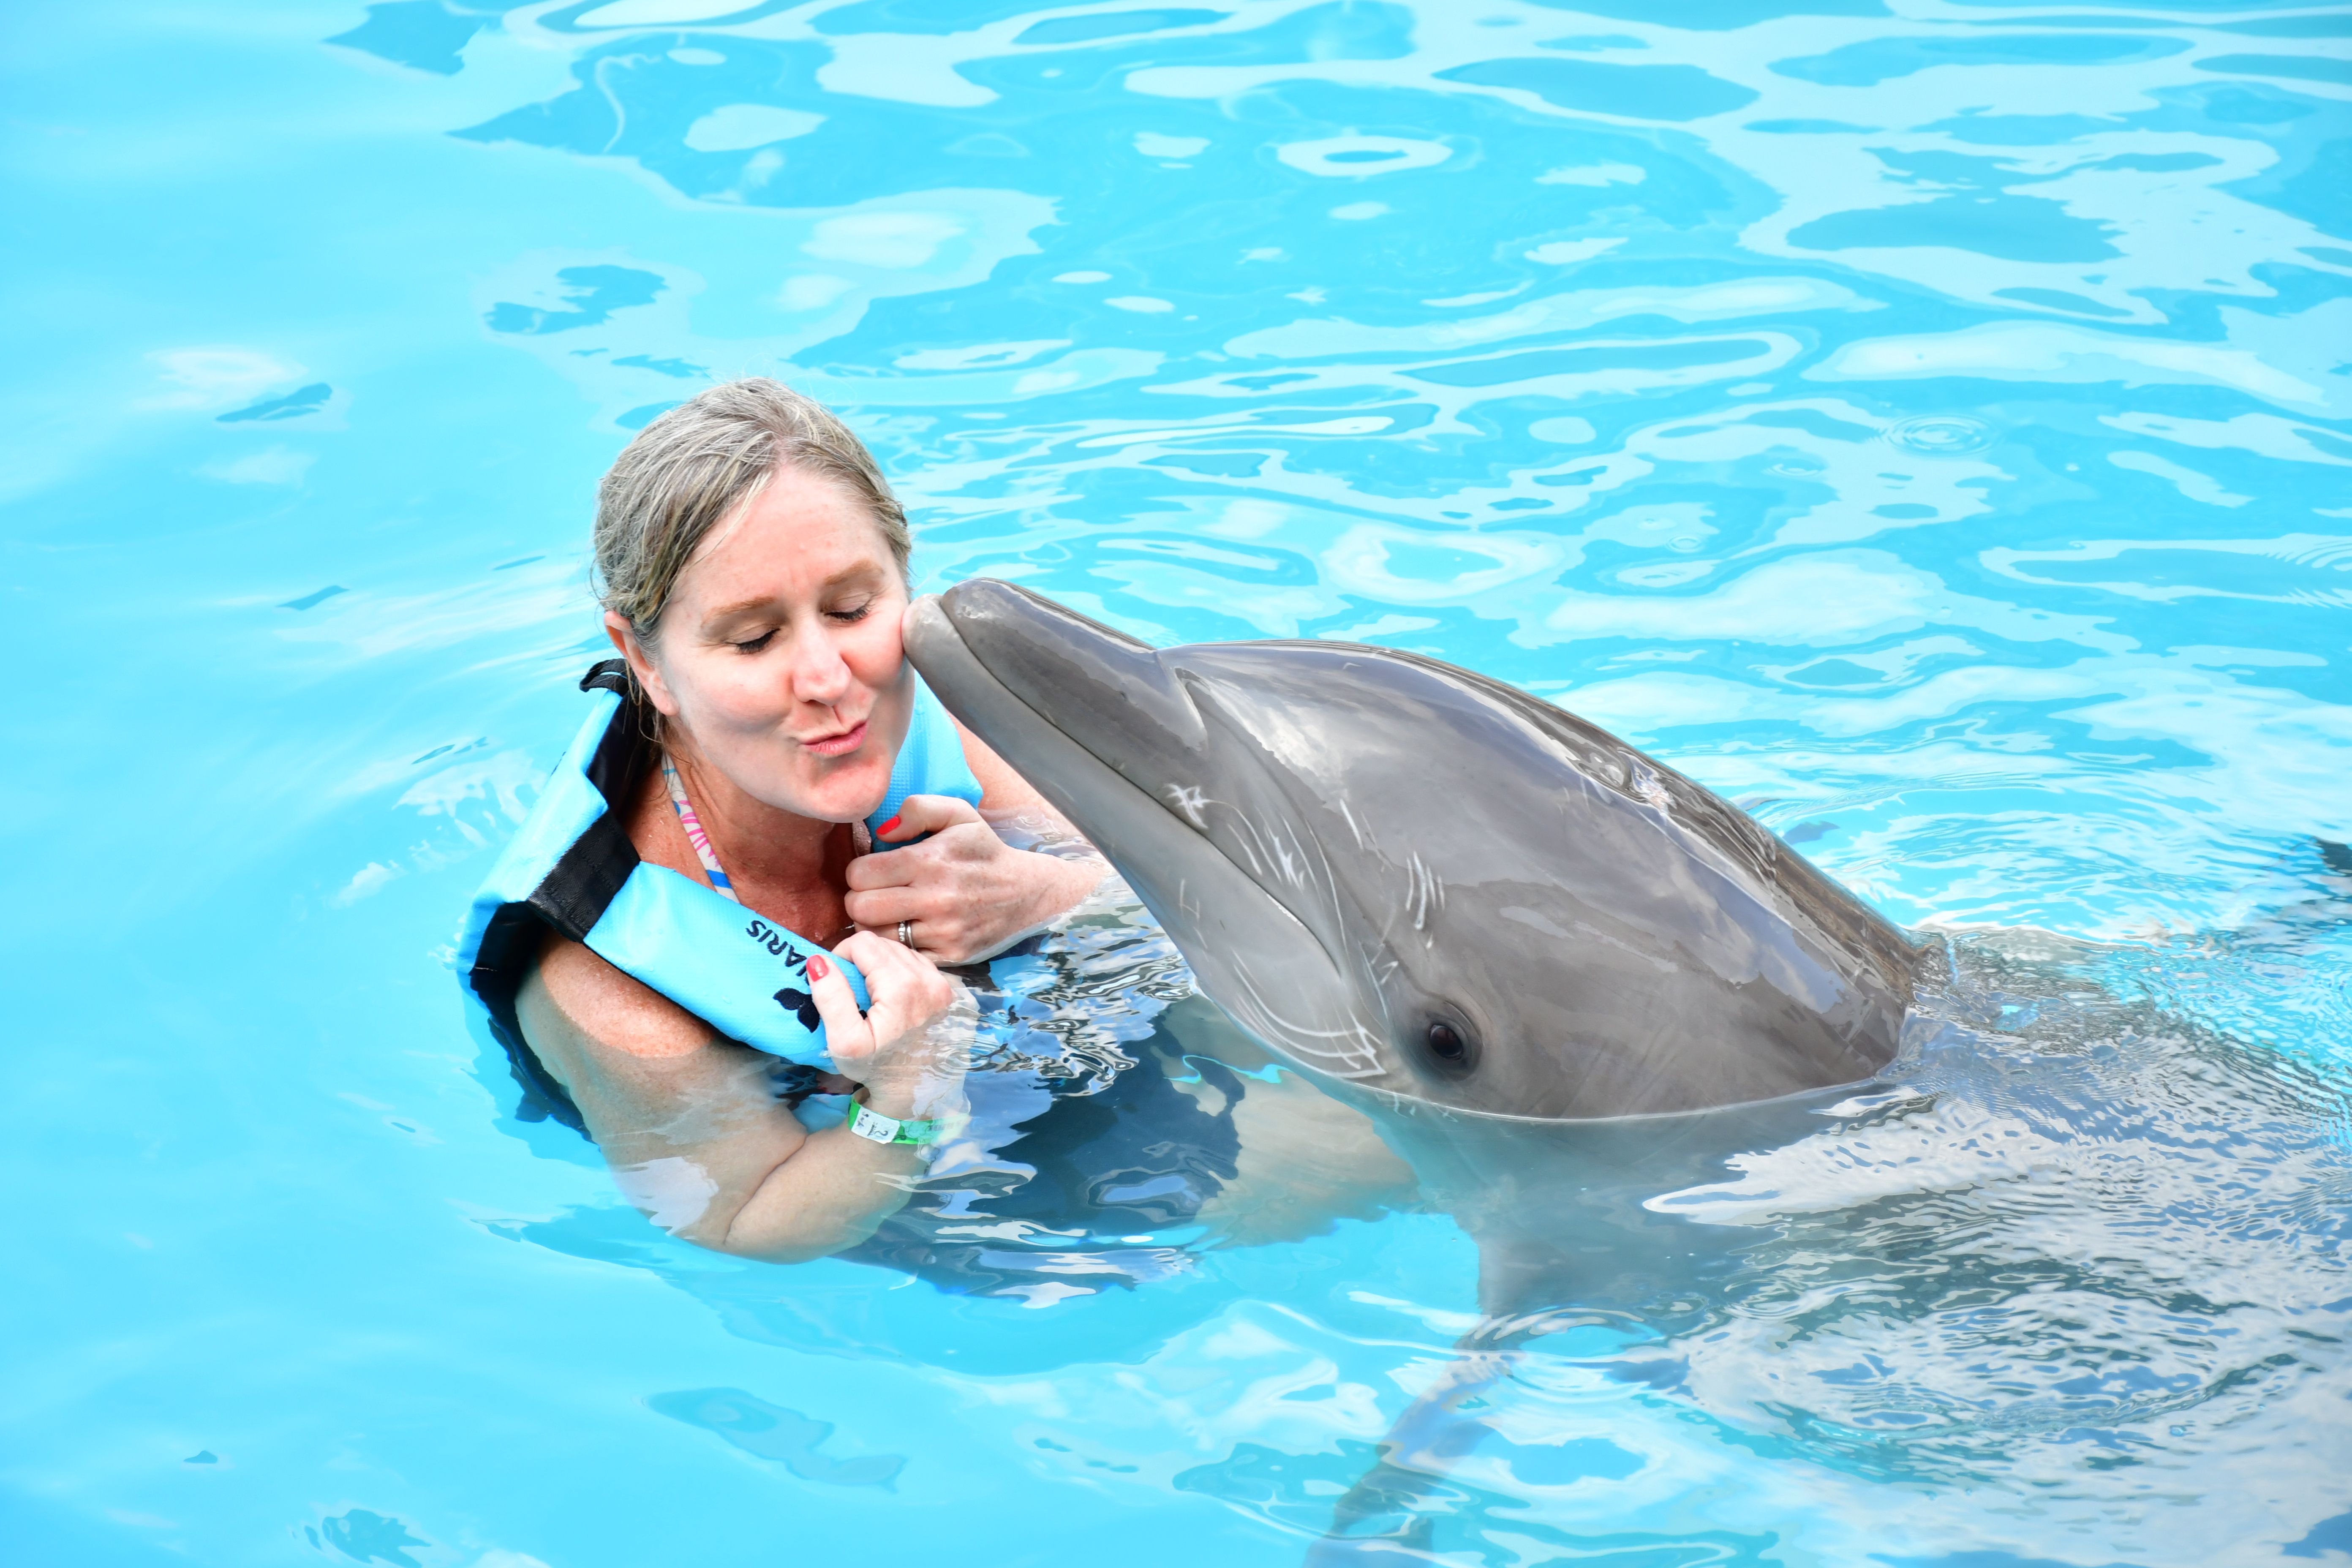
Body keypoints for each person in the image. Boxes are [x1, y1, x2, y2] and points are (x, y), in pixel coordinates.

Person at [478, 379, 1105, 1262]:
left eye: (853, 608)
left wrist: (1043, 890)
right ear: (645, 661)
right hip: (892, 1216)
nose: (827, 678)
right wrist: (910, 1089)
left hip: (1051, 1069)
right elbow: (746, 1222)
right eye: (752, 638)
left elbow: (1167, 882)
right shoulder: (609, 986)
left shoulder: (932, 701)